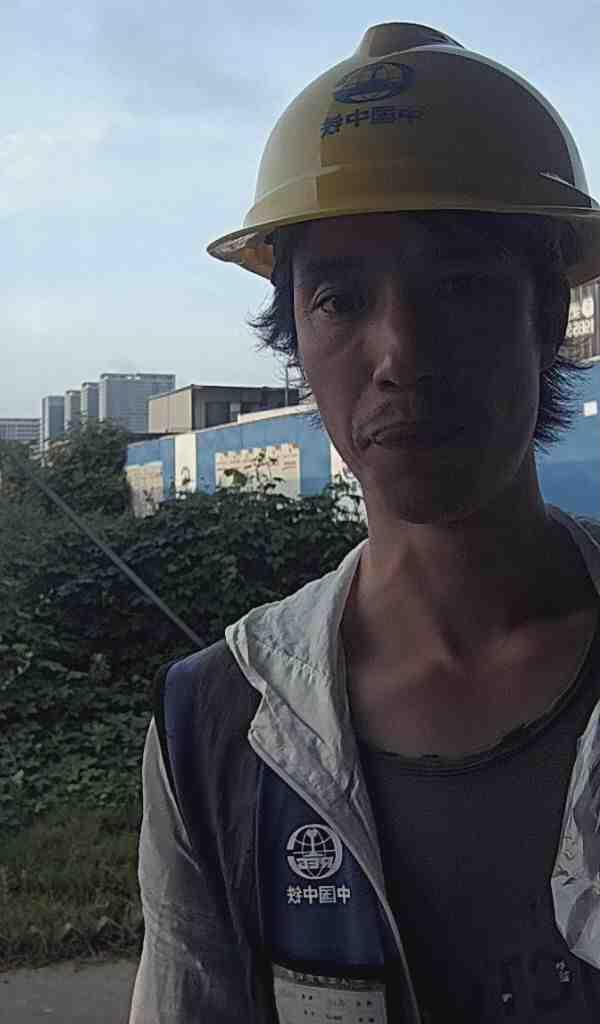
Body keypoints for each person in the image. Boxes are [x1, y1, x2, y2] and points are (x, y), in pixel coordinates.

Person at [128, 22, 600, 1023]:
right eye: (340, 299)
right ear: (296, 338)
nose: (400, 354)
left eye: (461, 287)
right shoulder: (220, 725)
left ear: (548, 315)